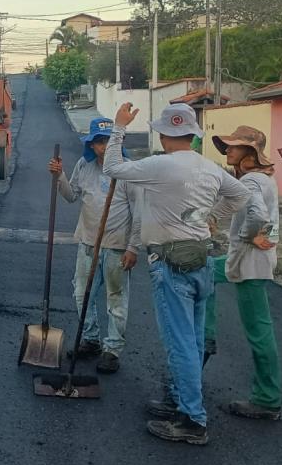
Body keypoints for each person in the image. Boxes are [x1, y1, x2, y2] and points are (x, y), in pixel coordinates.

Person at [104, 102, 250, 446]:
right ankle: (181, 402)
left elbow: (112, 166)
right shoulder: (208, 167)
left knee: (180, 343)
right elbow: (241, 195)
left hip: (171, 264)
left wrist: (119, 126)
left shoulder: (160, 165)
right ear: (191, 133)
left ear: (165, 133)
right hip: (200, 260)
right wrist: (211, 215)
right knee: (194, 340)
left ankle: (192, 420)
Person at [48, 117, 140, 374]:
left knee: (116, 298)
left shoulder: (128, 170)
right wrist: (59, 176)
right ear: (91, 144)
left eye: (108, 141)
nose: (103, 146)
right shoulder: (84, 166)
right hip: (88, 243)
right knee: (81, 294)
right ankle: (91, 339)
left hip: (117, 246)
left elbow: (139, 212)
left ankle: (112, 349)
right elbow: (70, 196)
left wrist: (134, 247)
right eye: (99, 141)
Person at [211, 125, 282, 421]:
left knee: (259, 331)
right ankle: (204, 338)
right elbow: (236, 205)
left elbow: (257, 216)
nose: (227, 150)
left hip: (250, 263)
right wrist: (213, 217)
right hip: (244, 259)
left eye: (234, 146)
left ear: (250, 153)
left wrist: (249, 235)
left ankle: (267, 398)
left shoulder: (253, 181)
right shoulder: (258, 180)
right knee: (203, 272)